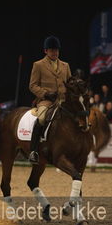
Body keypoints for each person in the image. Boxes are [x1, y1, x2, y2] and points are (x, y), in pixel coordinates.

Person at [28, 36, 71, 164]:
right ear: (46, 51)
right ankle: (33, 151)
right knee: (41, 118)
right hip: (46, 101)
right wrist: (46, 94)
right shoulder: (38, 65)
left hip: (63, 101)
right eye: (52, 50)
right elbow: (32, 85)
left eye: (56, 50)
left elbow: (69, 83)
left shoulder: (65, 65)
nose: (55, 53)